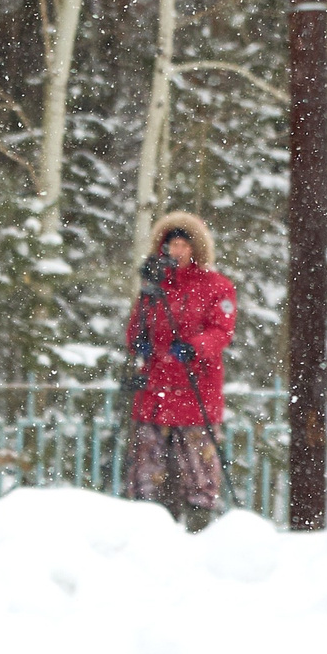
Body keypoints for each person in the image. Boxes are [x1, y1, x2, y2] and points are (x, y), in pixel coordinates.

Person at [123, 211, 237, 532]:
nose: (178, 252)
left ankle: (199, 526)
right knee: (146, 466)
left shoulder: (217, 287)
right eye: (172, 244)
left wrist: (195, 347)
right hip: (155, 388)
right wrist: (141, 342)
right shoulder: (154, 287)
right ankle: (146, 527)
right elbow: (135, 332)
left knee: (199, 467)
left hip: (195, 387)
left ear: (195, 249)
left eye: (184, 245)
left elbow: (221, 331)